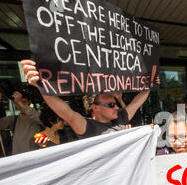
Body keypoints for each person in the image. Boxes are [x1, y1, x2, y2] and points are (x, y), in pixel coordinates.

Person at [21, 60, 152, 140]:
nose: (117, 107)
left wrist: (150, 83)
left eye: (116, 104)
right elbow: (66, 112)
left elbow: (137, 102)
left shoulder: (120, 117)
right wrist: (40, 85)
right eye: (111, 104)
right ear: (94, 107)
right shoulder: (88, 126)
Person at [0, 87, 42, 155]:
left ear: (30, 102)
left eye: (23, 102)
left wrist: (20, 102)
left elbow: (39, 118)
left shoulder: (39, 116)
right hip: (19, 159)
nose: (20, 105)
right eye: (17, 103)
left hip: (38, 156)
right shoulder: (14, 119)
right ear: (14, 104)